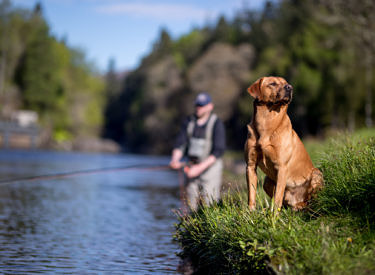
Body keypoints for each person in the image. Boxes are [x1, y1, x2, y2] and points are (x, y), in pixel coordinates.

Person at [170, 92, 226, 211]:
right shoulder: (188, 122)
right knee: (190, 205)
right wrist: (175, 159)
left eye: (202, 105)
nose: (198, 108)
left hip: (211, 169)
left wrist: (198, 168)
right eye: (197, 105)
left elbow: (218, 151)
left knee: (209, 204)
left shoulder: (216, 123)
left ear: (210, 106)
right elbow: (180, 144)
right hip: (191, 168)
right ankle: (190, 227)